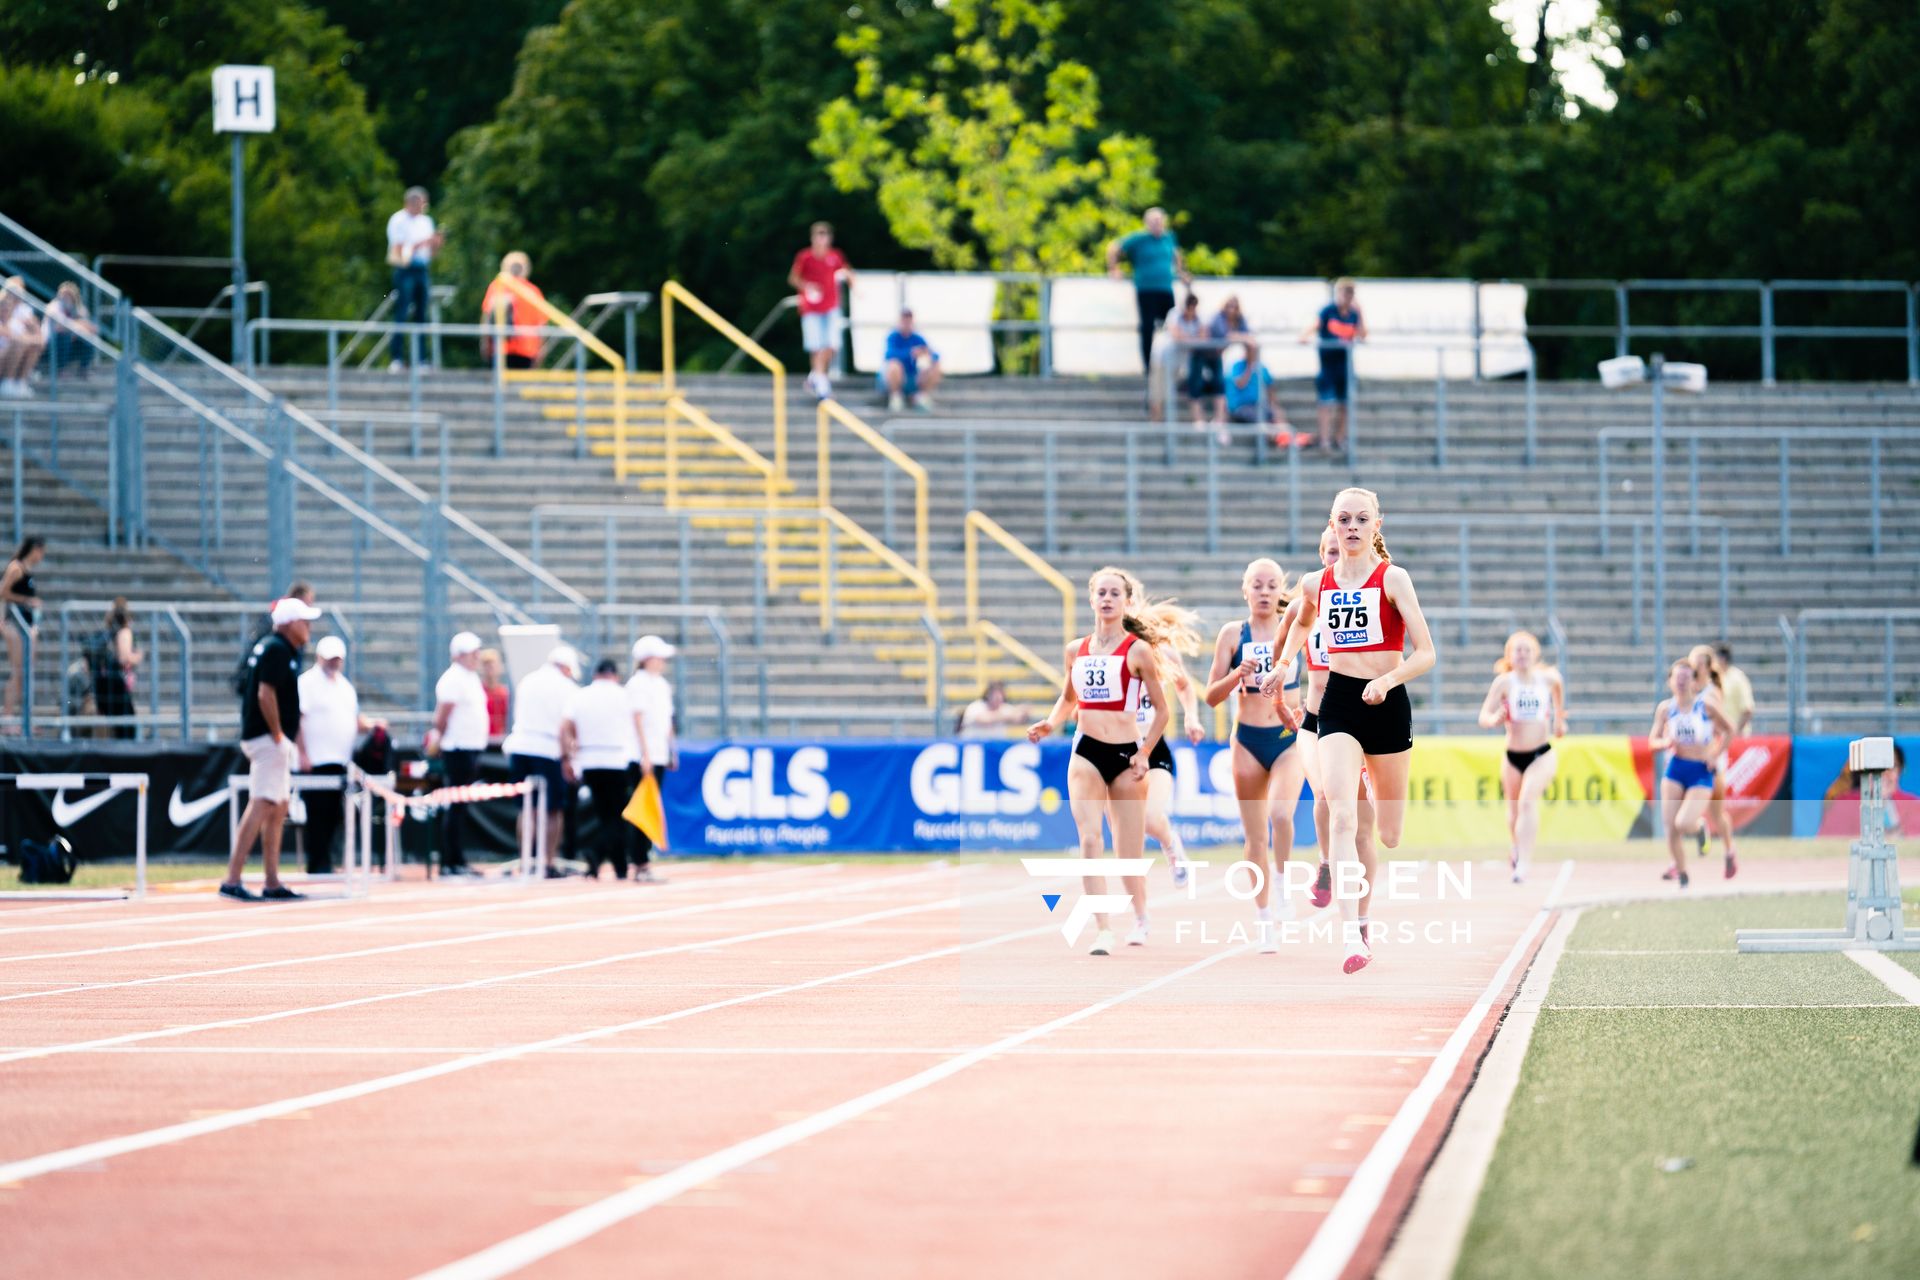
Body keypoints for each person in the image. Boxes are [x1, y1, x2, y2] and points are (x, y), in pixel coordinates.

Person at [1266, 487, 1437, 974]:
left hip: (1386, 704)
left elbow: (1426, 653)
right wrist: (1282, 665)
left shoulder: (1393, 578)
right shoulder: (1316, 583)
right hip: (1339, 704)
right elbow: (1301, 622)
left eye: (1363, 519)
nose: (1353, 527)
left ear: (1376, 526)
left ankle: (1361, 910)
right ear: (1333, 524)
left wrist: (1387, 680)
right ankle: (1350, 935)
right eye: (1345, 519)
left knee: (1388, 834)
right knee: (1340, 817)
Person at [1027, 567, 1172, 955]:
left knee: (1128, 854)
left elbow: (1161, 711)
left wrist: (1144, 753)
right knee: (1090, 840)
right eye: (1101, 593)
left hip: (1126, 756)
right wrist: (1051, 722)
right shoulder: (1076, 650)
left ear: (1125, 602)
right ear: (1092, 599)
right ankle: (1103, 928)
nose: (1107, 599)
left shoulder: (1137, 651)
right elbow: (1068, 698)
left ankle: (1140, 916)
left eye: (1114, 594)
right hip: (1086, 751)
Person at [1206, 558, 1309, 951]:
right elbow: (1211, 696)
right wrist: (1237, 674)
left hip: (1287, 737)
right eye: (1257, 585)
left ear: (1281, 589)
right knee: (1253, 838)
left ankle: (1282, 885)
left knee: (1281, 814)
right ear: (1244, 590)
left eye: (1271, 585)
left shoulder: (1296, 627)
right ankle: (1264, 916)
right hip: (1247, 739)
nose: (1264, 592)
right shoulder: (1233, 634)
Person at [221, 595, 322, 901]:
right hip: (268, 739)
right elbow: (266, 694)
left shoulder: (277, 648)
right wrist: (278, 734)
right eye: (304, 621)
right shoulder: (278, 649)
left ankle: (272, 881)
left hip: (268, 738)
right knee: (263, 803)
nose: (308, 627)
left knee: (277, 808)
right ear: (289, 624)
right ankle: (233, 879)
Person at [1115, 574, 1204, 894]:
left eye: (1125, 599)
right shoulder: (1100, 650)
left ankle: (1172, 846)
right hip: (1116, 749)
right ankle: (1138, 911)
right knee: (1123, 833)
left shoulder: (1161, 651)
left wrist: (1192, 717)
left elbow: (1184, 688)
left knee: (1151, 818)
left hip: (1153, 749)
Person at [1477, 631, 1566, 884]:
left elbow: (1559, 689)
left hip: (1541, 753)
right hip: (1513, 755)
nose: (1523, 654)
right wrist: (1493, 720)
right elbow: (1483, 715)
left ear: (1535, 653)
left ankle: (1524, 863)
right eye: (1518, 650)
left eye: (1527, 650)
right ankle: (1517, 847)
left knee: (1528, 802)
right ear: (1510, 656)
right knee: (1514, 812)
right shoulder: (1504, 683)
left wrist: (1559, 720)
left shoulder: (1548, 679)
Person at [1292, 529, 1349, 915]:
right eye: (1330, 552)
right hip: (1314, 721)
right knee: (1325, 793)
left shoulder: (1370, 596)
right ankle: (1326, 865)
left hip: (1355, 722)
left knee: (1360, 815)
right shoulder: (1310, 598)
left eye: (1340, 551)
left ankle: (1358, 894)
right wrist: (1282, 684)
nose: (1335, 557)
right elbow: (1284, 643)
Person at [1648, 658, 1735, 888]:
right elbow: (1652, 741)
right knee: (1669, 825)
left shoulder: (1705, 706)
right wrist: (1666, 741)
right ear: (1670, 682)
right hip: (1676, 767)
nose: (1682, 682)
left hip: (1700, 770)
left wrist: (1715, 754)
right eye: (1678, 678)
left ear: (1694, 682)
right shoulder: (1666, 709)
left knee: (1683, 822)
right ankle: (1683, 875)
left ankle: (1699, 828)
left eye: (1687, 678)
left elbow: (1729, 729)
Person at [297, 635, 380, 876]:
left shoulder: (344, 686)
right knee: (317, 814)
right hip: (315, 761)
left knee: (334, 814)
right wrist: (302, 754)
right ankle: (317, 863)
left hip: (341, 761)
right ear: (319, 657)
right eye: (330, 658)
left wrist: (374, 726)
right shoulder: (306, 683)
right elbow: (298, 720)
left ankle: (327, 861)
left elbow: (355, 720)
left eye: (337, 659)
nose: (334, 663)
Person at [504, 645, 581, 875]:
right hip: (547, 749)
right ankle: (546, 862)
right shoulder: (567, 687)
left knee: (527, 808)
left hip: (520, 745)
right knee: (552, 810)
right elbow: (565, 728)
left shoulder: (527, 681)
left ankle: (526, 858)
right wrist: (568, 757)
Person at [563, 658, 642, 881]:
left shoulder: (580, 695)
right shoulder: (624, 695)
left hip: (589, 759)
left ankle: (614, 863)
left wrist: (573, 750)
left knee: (605, 813)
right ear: (615, 675)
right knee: (617, 816)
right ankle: (603, 856)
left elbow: (566, 726)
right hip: (617, 758)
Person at [426, 631, 490, 876]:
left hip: (469, 748)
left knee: (460, 807)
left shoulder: (468, 677)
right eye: (473, 652)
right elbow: (442, 716)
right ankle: (451, 861)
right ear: (461, 654)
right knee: (455, 805)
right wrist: (438, 739)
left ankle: (456, 859)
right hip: (458, 749)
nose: (477, 656)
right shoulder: (454, 678)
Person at [1107, 208, 1186, 376]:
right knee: (1147, 327)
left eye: (1160, 220)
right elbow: (1114, 247)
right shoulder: (1139, 239)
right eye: (1154, 221)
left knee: (1173, 325)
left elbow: (1176, 254)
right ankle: (1148, 368)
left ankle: (1172, 366)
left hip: (1166, 288)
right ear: (1147, 223)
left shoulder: (1169, 237)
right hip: (1146, 289)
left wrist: (1181, 272)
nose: (1157, 224)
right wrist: (1114, 269)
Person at [1685, 644, 1742, 877]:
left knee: (1717, 812)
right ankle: (1698, 833)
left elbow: (1725, 728)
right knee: (1678, 808)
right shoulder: (1689, 690)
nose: (1693, 667)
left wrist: (1715, 754)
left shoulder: (1710, 694)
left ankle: (1728, 850)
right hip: (1693, 757)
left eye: (1698, 663)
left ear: (1708, 668)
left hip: (1710, 759)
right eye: (1691, 663)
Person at [625, 635, 677, 882]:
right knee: (643, 809)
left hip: (658, 754)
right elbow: (637, 720)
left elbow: (666, 722)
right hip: (643, 756)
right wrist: (645, 754)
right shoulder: (638, 684)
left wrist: (670, 750)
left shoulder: (661, 685)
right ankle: (639, 862)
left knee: (651, 808)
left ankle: (643, 859)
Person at [789, 222, 852, 400]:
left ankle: (815, 376)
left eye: (825, 235)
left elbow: (846, 271)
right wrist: (807, 286)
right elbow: (793, 278)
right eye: (819, 234)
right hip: (811, 308)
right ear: (813, 237)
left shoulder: (835, 256)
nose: (822, 238)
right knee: (816, 346)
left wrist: (854, 285)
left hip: (831, 306)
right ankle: (821, 382)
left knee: (832, 344)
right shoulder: (805, 257)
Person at [1302, 278, 1366, 455]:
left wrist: (1361, 314)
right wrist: (1305, 335)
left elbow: (1363, 335)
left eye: (1350, 293)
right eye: (1345, 292)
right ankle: (1324, 440)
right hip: (1328, 365)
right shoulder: (1329, 310)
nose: (1347, 297)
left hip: (1345, 365)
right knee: (1326, 403)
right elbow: (1317, 324)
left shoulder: (1353, 314)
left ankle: (1339, 437)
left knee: (1345, 403)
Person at [385, 186, 444, 371]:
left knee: (421, 315)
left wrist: (435, 244)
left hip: (421, 269)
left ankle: (421, 359)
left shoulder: (426, 221)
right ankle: (397, 358)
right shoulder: (398, 220)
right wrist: (423, 243)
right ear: (411, 202)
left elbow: (431, 254)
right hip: (405, 268)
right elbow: (399, 248)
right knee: (402, 312)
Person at [479, 252, 546, 370]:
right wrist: (541, 350)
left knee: (500, 386)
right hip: (525, 349)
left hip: (501, 347)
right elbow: (541, 325)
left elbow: (487, 317)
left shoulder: (497, 287)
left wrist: (484, 343)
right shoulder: (533, 291)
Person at [2, 536, 45, 719]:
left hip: (27, 626)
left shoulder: (28, 570)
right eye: (41, 551)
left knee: (26, 672)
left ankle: (24, 717)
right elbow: (3, 592)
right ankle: (8, 715)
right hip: (15, 625)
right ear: (35, 549)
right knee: (18, 670)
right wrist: (28, 600)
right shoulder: (16, 568)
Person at [1168, 294, 1223, 429]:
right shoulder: (1175, 315)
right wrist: (1194, 338)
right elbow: (1176, 335)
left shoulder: (1199, 318)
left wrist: (1189, 338)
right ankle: (1198, 419)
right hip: (1173, 360)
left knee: (1204, 380)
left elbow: (1204, 337)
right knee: (1193, 382)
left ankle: (1211, 419)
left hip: (1192, 360)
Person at [90, 596, 140, 740]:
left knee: (113, 724)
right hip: (116, 684)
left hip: (104, 684)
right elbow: (124, 657)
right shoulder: (124, 632)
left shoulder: (108, 632)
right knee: (126, 727)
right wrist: (137, 657)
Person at [1222, 345, 1292, 443]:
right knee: (1259, 418)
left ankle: (1286, 438)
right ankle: (1274, 439)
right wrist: (1249, 368)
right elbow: (1240, 384)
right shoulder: (1237, 366)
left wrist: (1274, 405)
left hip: (1257, 405)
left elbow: (1270, 387)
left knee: (1277, 414)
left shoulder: (1262, 367)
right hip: (1240, 407)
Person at [879, 310, 942, 412]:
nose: (906, 324)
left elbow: (935, 355)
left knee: (934, 365)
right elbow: (889, 355)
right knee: (894, 365)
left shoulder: (918, 338)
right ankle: (896, 396)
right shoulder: (893, 337)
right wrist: (910, 353)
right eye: (904, 321)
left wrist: (926, 354)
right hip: (896, 378)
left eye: (909, 321)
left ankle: (921, 396)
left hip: (914, 377)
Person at [0, 278, 46, 399]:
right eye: (3, 305)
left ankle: (20, 382)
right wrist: (25, 339)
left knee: (32, 347)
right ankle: (7, 382)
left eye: (8, 306)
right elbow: (12, 337)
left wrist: (29, 340)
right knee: (19, 343)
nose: (5, 308)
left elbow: (40, 341)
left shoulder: (16, 323)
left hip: (10, 358)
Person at [44, 282, 95, 378]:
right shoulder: (53, 306)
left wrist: (79, 325)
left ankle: (84, 369)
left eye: (69, 295)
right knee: (65, 335)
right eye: (64, 295)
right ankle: (60, 370)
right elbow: (59, 327)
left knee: (88, 337)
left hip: (70, 345)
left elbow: (91, 328)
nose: (66, 298)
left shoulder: (78, 308)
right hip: (51, 346)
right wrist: (78, 325)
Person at [957, 681, 1026, 737]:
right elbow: (984, 720)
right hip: (973, 747)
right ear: (988, 694)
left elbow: (1018, 718)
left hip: (995, 748)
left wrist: (1023, 711)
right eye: (995, 694)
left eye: (1000, 694)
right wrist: (1007, 715)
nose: (998, 697)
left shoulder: (1004, 708)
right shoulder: (975, 706)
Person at [478, 647, 510, 743]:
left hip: (501, 742)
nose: (490, 669)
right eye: (486, 665)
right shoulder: (476, 693)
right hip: (481, 742)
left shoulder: (505, 694)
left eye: (493, 665)